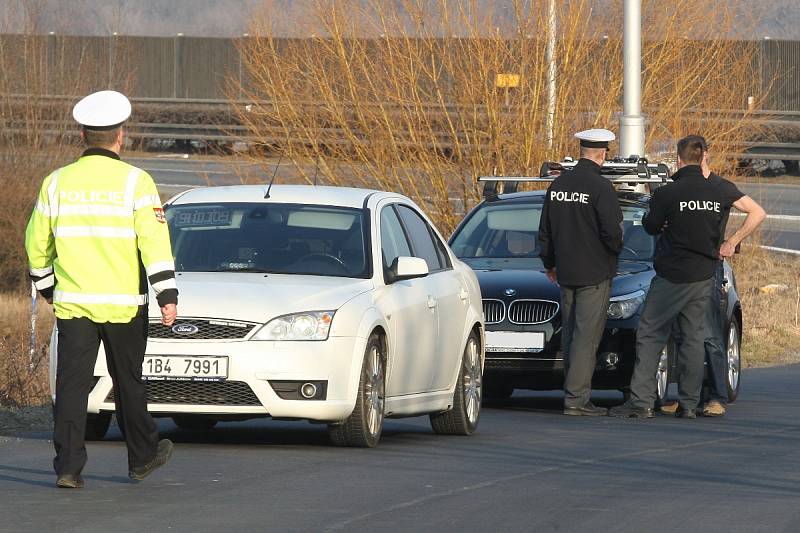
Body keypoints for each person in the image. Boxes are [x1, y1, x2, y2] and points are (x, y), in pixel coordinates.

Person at [24, 90, 178, 488]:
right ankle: (142, 458)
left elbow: (36, 243)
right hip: (125, 307)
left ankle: (69, 467)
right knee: (128, 381)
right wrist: (167, 296)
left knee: (72, 387)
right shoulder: (136, 183)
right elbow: (155, 244)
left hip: (74, 305)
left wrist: (47, 289)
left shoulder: (56, 183)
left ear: (82, 135)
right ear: (120, 136)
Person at [610, 135, 736, 419]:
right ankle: (689, 404)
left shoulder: (667, 193)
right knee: (693, 339)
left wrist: (659, 221)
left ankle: (641, 402)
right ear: (702, 157)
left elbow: (652, 226)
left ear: (679, 160)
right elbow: (718, 231)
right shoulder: (717, 193)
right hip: (704, 275)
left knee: (650, 333)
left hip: (671, 276)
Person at [661, 139, 766, 417]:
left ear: (705, 155)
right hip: (680, 269)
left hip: (709, 269)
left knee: (708, 333)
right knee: (683, 333)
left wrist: (732, 241)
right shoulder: (678, 185)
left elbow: (757, 212)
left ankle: (716, 396)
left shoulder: (720, 187)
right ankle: (687, 397)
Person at [539, 128, 623, 416]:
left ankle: (572, 391)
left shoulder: (558, 186)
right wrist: (614, 256)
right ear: (602, 154)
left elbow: (545, 231)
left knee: (572, 334)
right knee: (587, 337)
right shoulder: (601, 189)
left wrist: (549, 263)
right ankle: (576, 399)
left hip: (565, 272)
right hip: (595, 273)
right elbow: (613, 233)